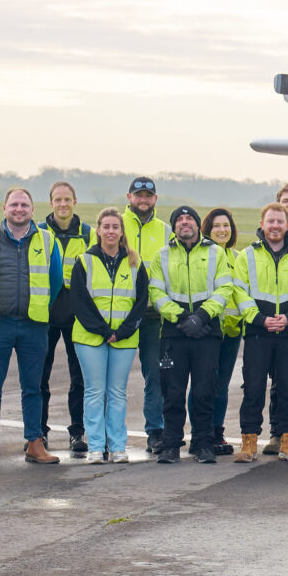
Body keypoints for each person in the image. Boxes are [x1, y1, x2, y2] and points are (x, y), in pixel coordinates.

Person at [0, 187, 69, 467]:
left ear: (32, 209)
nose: (19, 209)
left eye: (24, 204)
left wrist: (37, 308)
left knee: (33, 386)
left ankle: (34, 443)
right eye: (14, 205)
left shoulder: (47, 240)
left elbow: (55, 280)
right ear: (4, 208)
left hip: (33, 325)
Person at [149, 204, 238, 464]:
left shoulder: (215, 254)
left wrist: (201, 317)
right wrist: (180, 317)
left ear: (199, 225)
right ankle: (171, 444)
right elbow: (156, 292)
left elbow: (224, 289)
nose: (184, 223)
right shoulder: (161, 255)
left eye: (189, 219)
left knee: (203, 391)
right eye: (179, 220)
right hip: (174, 333)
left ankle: (203, 444)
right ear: (174, 226)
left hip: (207, 332)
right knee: (173, 392)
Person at [65, 207, 152, 463]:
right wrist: (104, 331)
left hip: (124, 339)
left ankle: (117, 447)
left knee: (116, 393)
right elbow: (79, 302)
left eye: (116, 227)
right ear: (98, 230)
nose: (111, 231)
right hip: (90, 338)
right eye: (107, 227)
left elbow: (141, 301)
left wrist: (122, 331)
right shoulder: (85, 261)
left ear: (121, 231)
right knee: (93, 392)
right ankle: (95, 447)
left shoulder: (135, 262)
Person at [238, 203, 288, 462]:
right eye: (271, 221)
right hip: (259, 333)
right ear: (262, 224)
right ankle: (248, 444)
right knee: (253, 389)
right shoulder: (246, 256)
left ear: (287, 225)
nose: (275, 226)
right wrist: (260, 319)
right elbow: (240, 291)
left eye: (280, 221)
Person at [41, 181, 90, 454]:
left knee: (79, 377)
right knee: (39, 377)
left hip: (77, 315)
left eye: (67, 199)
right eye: (57, 200)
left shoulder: (87, 234)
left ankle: (77, 432)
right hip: (44, 314)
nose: (62, 204)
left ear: (74, 201)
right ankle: (39, 433)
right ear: (51, 203)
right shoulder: (37, 232)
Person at [120, 176, 169, 448]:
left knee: (155, 375)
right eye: (137, 195)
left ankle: (155, 431)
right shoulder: (116, 224)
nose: (142, 200)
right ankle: (109, 434)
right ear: (129, 197)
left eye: (147, 196)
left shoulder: (165, 230)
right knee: (114, 380)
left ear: (155, 199)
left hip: (153, 315)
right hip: (122, 315)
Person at [203, 209, 245, 453]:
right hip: (209, 329)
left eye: (226, 225)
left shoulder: (238, 257)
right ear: (207, 230)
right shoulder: (203, 255)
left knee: (222, 384)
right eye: (216, 226)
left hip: (231, 330)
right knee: (204, 383)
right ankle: (203, 431)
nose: (222, 230)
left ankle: (217, 431)